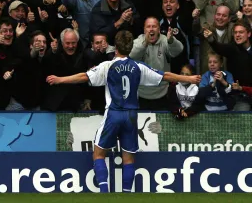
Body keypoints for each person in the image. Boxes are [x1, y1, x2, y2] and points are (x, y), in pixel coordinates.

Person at [46, 30, 201, 193]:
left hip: (113, 114)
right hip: (131, 116)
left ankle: (104, 193)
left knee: (98, 154)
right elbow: (165, 75)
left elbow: (83, 77)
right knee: (128, 158)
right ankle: (127, 194)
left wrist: (60, 79)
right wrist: (188, 79)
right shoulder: (138, 67)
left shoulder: (108, 66)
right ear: (129, 47)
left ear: (116, 48)